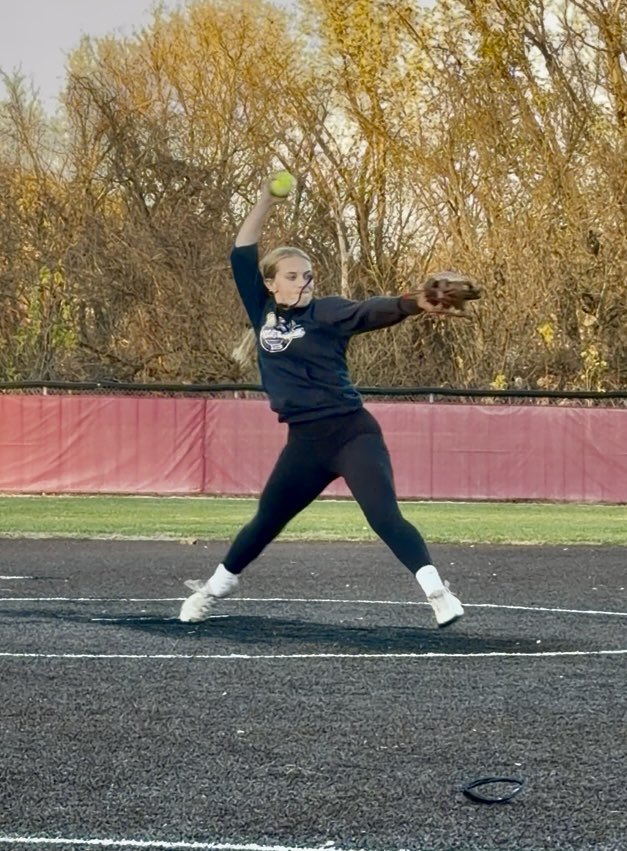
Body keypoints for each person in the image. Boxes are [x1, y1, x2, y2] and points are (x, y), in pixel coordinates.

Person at [179, 178, 466, 627]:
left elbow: (373, 310)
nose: (303, 282)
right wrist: (265, 202)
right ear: (272, 284)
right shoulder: (263, 312)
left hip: (351, 432)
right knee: (264, 523)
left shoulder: (326, 312)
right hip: (305, 445)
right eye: (292, 276)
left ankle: (437, 592)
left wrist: (415, 302)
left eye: (307, 275)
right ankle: (215, 588)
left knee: (384, 517)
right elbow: (241, 253)